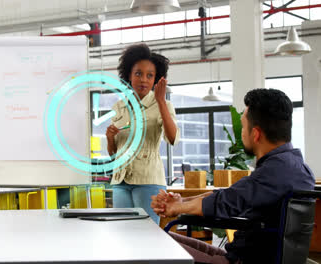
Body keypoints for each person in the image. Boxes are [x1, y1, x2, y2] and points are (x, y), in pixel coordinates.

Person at [151, 88, 315, 263]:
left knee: (153, 245)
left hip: (241, 261)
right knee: (158, 238)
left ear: (256, 133)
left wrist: (177, 208)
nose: (241, 133)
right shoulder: (291, 167)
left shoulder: (276, 171)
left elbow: (225, 203)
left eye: (243, 127)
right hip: (238, 255)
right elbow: (231, 194)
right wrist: (182, 201)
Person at [106, 44, 180, 224]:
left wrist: (161, 102)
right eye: (138, 73)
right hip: (120, 181)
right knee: (122, 234)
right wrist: (109, 138)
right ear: (129, 75)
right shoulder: (120, 107)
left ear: (156, 79)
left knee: (147, 236)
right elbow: (114, 153)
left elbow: (173, 139)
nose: (143, 80)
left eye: (150, 75)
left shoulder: (163, 105)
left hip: (148, 180)